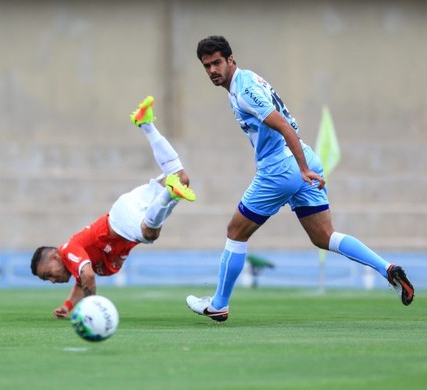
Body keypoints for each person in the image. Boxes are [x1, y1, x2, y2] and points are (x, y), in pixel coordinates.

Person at [186, 35, 414, 322]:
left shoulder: (243, 90)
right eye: (206, 66)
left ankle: (219, 304)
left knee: (235, 232)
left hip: (282, 168)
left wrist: (303, 168)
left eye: (217, 63)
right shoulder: (245, 80)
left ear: (231, 60)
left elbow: (282, 125)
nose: (212, 71)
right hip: (301, 158)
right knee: (324, 236)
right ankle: (388, 269)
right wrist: (304, 164)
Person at [31, 96, 196, 318]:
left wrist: (92, 310)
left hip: (121, 220)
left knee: (149, 234)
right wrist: (68, 306)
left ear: (53, 257)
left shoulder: (68, 250)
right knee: (181, 178)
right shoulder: (73, 259)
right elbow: (81, 280)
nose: (51, 281)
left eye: (47, 275)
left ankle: (169, 193)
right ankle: (146, 123)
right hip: (128, 208)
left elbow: (87, 276)